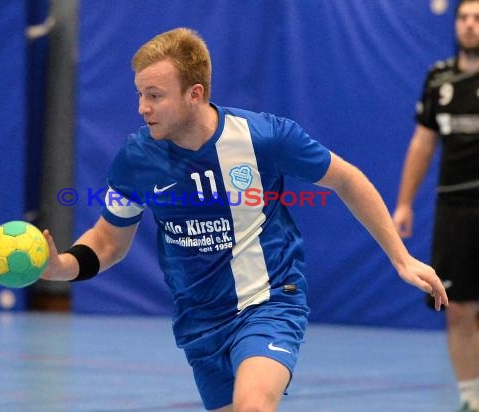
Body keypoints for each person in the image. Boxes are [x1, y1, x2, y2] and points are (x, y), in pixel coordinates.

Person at [42, 27, 448, 412]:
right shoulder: (136, 160)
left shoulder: (263, 138)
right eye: (140, 94)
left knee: (254, 404)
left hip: (268, 301)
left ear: (194, 94)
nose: (142, 107)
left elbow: (347, 179)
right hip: (199, 320)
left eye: (154, 95)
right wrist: (62, 267)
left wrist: (401, 258)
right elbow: (109, 241)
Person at [393, 1, 479, 411]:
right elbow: (422, 143)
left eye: (478, 18)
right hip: (455, 209)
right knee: (458, 307)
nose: (469, 24)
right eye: (463, 17)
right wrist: (405, 203)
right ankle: (471, 398)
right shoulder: (438, 78)